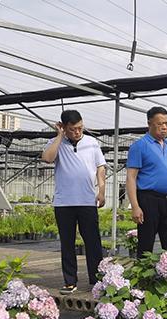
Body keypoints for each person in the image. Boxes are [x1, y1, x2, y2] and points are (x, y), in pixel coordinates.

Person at [41, 109, 106, 294]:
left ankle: (97, 279)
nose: (77, 132)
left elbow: (100, 167)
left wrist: (101, 191)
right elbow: (47, 158)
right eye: (73, 129)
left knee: (93, 242)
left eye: (80, 128)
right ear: (63, 127)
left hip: (87, 201)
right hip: (64, 203)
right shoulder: (56, 143)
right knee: (67, 243)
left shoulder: (91, 143)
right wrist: (59, 136)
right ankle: (70, 281)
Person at [126, 106, 167, 257]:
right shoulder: (139, 146)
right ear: (149, 124)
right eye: (160, 124)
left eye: (166, 123)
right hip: (149, 199)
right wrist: (135, 206)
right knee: (146, 243)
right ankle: (144, 273)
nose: (164, 127)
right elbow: (131, 177)